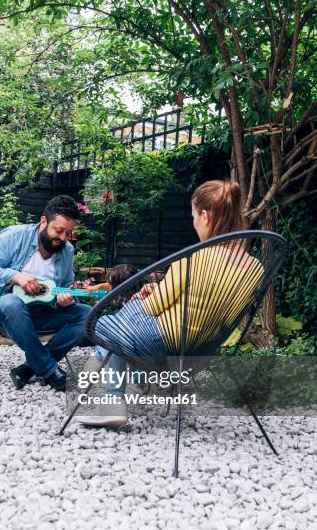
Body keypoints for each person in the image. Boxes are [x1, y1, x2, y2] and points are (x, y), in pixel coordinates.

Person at [77, 180, 264, 427]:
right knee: (121, 323)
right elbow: (221, 313)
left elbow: (153, 308)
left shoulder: (192, 259)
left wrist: (149, 295)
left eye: (194, 216)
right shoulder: (256, 269)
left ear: (205, 216)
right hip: (199, 350)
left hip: (161, 343)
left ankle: (111, 395)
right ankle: (133, 378)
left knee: (105, 325)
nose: (194, 222)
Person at [0, 195, 91, 392]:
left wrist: (66, 298)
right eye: (59, 230)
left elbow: (67, 285)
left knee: (86, 313)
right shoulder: (14, 236)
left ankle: (29, 369)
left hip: (42, 313)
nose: (63, 238)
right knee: (12, 302)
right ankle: (48, 369)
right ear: (43, 221)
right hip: (4, 310)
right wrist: (16, 276)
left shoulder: (67, 250)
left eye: (68, 233)